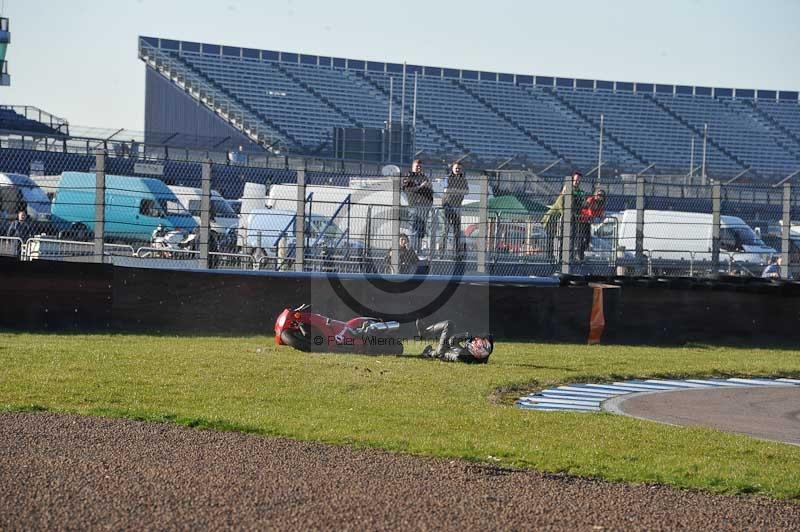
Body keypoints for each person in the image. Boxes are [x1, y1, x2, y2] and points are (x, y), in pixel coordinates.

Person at [540, 171, 585, 260]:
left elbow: (579, 203)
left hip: (558, 218)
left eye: (578, 181)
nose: (577, 182)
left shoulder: (576, 194)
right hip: (551, 218)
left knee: (563, 237)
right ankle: (550, 256)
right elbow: (562, 210)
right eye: (575, 180)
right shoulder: (562, 198)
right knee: (551, 237)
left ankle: (560, 256)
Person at [416, 319, 493, 364]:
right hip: (450, 350)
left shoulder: (464, 355)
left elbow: (452, 340)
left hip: (444, 353)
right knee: (449, 325)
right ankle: (428, 348)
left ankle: (428, 351)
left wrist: (467, 335)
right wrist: (475, 336)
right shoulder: (487, 344)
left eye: (475, 342)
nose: (475, 340)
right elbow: (487, 335)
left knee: (449, 325)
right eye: (477, 340)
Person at [401, 159, 433, 249]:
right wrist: (420, 186)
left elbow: (429, 190)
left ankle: (418, 248)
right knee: (414, 227)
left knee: (421, 229)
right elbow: (406, 189)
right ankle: (412, 249)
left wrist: (429, 187)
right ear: (412, 167)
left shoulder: (424, 177)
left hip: (424, 206)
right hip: (414, 205)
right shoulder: (408, 176)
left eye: (420, 166)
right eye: (417, 166)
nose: (419, 168)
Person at [440, 161, 469, 257]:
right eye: (456, 168)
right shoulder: (448, 177)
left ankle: (457, 252)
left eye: (459, 168)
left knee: (457, 231)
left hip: (457, 206)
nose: (457, 170)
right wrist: (458, 191)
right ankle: (441, 252)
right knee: (445, 230)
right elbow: (446, 189)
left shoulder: (463, 179)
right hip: (447, 206)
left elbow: (466, 191)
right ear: (452, 168)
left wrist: (454, 190)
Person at [576, 189, 606, 262]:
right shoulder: (591, 199)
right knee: (581, 238)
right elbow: (590, 210)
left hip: (587, 222)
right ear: (595, 195)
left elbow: (601, 212)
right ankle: (579, 254)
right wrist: (593, 217)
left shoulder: (601, 203)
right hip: (582, 220)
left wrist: (601, 216)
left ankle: (580, 253)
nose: (600, 197)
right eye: (599, 195)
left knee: (588, 239)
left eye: (602, 195)